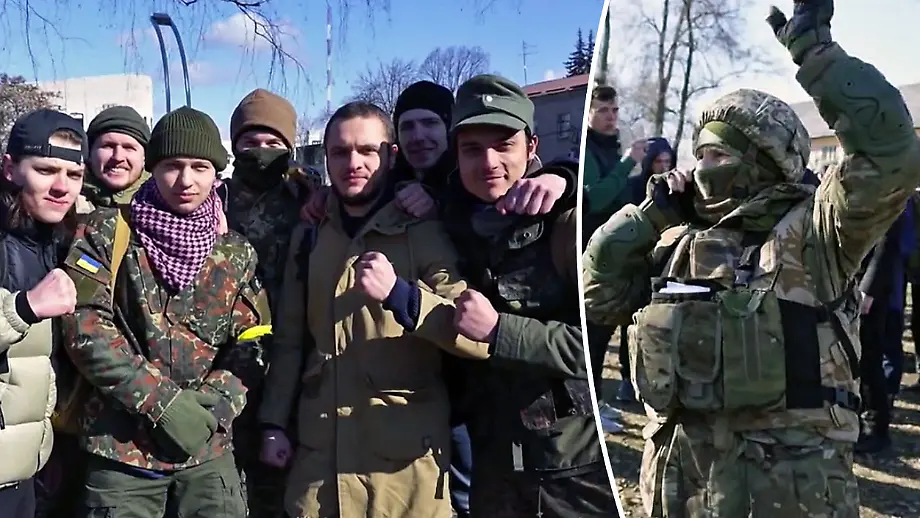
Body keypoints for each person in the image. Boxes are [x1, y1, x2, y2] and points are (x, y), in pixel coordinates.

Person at [582, 1, 920, 515]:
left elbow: (892, 153)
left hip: (786, 492)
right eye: (699, 155)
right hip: (678, 487)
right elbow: (595, 296)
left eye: (718, 154)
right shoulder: (674, 238)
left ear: (763, 159)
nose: (702, 169)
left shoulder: (816, 231)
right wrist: (647, 219)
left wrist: (818, 55)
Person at [259, 101, 490, 518]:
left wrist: (403, 297)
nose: (354, 163)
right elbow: (290, 341)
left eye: (368, 151)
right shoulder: (310, 234)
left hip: (403, 471)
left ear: (391, 156)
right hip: (321, 465)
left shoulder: (423, 230)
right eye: (340, 152)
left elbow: (474, 335)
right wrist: (274, 423)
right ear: (325, 158)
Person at [63, 106, 271, 517]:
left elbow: (254, 337)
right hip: (122, 453)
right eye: (173, 166)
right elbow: (85, 327)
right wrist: (162, 402)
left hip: (208, 452)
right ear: (153, 169)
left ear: (216, 174)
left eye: (200, 167)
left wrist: (215, 405)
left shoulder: (235, 251)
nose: (186, 180)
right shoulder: (108, 232)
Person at [438, 74, 618, 517]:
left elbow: (594, 347)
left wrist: (500, 331)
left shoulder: (567, 226)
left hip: (569, 473)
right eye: (472, 149)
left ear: (531, 146)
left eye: (504, 145)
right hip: (491, 466)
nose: (489, 162)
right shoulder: (450, 223)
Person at [223, 87, 317, 517]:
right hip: (228, 363)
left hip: (296, 361)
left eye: (273, 142)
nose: (261, 151)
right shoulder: (215, 201)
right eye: (250, 142)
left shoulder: (309, 201)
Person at [0, 109, 83, 518]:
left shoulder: (57, 241)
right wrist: (23, 308)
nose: (61, 187)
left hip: (28, 467)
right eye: (46, 170)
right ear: (10, 168)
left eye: (74, 174)